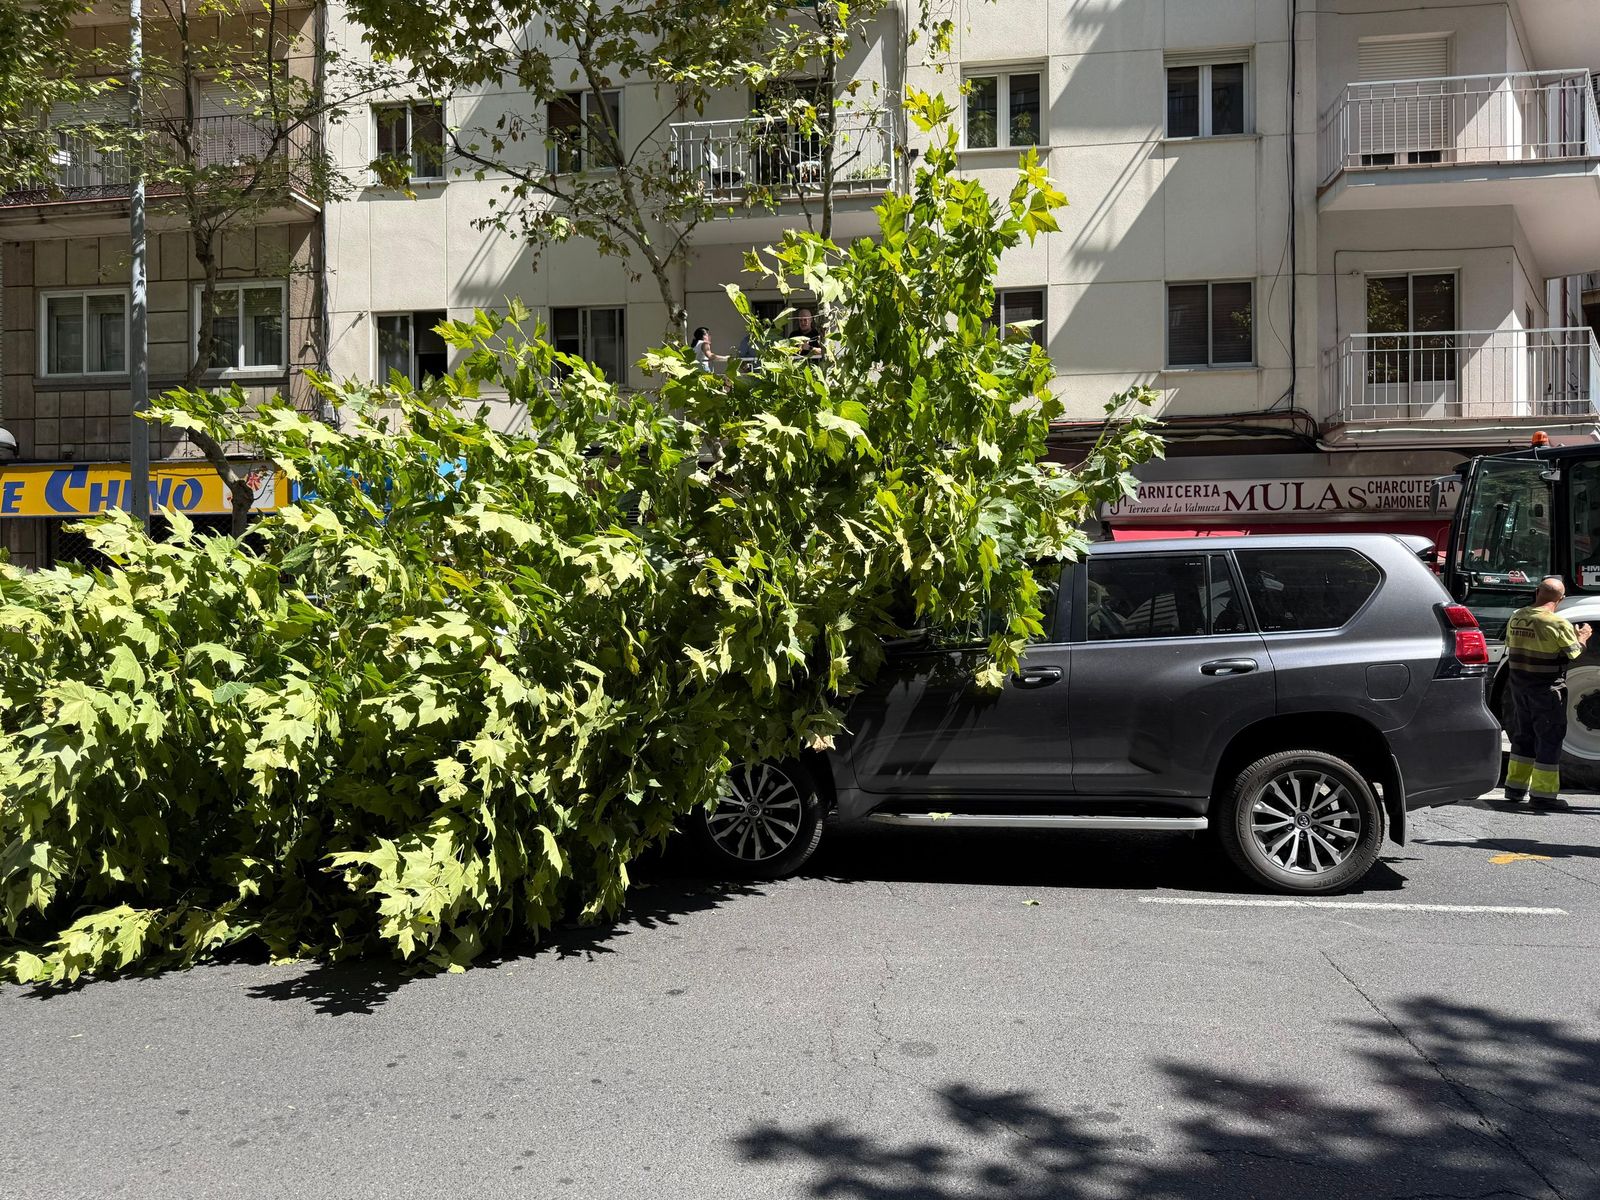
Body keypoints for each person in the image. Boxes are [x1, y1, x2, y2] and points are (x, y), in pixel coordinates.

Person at [1503, 576, 1592, 808]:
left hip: (1519, 688)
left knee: (1523, 737)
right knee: (1549, 739)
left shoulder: (1516, 617)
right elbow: (1574, 654)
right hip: (1546, 690)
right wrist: (1582, 636)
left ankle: (1515, 788)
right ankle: (1542, 794)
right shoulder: (1557, 623)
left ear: (1536, 592)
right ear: (1560, 599)